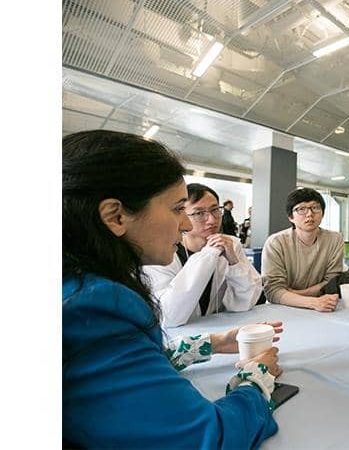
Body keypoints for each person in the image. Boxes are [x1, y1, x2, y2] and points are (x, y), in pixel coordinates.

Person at [63, 130, 284, 448]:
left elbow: (123, 361)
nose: (186, 225)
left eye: (213, 211)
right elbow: (209, 438)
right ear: (115, 215)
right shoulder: (95, 306)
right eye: (178, 209)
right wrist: (255, 378)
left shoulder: (76, 286)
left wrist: (215, 342)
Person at [143, 183, 262, 328]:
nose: (211, 220)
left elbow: (246, 302)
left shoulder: (230, 245)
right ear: (181, 216)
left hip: (222, 332)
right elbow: (169, 316)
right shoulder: (160, 252)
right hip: (176, 340)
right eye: (199, 213)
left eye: (215, 210)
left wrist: (234, 262)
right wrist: (209, 253)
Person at [261, 188, 344, 312]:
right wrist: (313, 302)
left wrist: (297, 293)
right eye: (301, 209)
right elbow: (273, 291)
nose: (310, 214)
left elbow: (332, 281)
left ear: (323, 213)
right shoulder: (276, 242)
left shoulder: (334, 239)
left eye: (315, 208)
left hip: (322, 306)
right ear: (290, 217)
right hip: (283, 309)